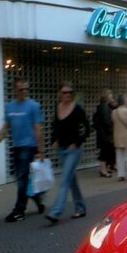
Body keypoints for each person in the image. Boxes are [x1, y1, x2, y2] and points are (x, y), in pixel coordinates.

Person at [0, 76, 45, 222]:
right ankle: (37, 197)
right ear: (15, 90)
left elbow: (38, 129)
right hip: (16, 147)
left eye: (26, 88)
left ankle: (19, 211)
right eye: (20, 89)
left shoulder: (33, 106)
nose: (24, 91)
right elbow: (4, 129)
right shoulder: (10, 107)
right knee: (19, 178)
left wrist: (41, 150)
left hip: (29, 146)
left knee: (21, 178)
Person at [45, 81, 90, 224]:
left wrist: (77, 143)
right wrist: (53, 140)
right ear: (60, 94)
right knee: (71, 180)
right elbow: (55, 127)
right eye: (64, 92)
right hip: (61, 150)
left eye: (70, 92)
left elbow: (88, 128)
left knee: (64, 180)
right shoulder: (57, 107)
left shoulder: (77, 109)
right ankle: (81, 207)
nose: (67, 95)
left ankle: (56, 212)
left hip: (73, 151)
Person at [92, 89, 116, 178]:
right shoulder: (105, 107)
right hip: (105, 134)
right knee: (104, 152)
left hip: (103, 134)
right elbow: (106, 121)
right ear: (106, 97)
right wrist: (111, 130)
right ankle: (103, 170)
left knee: (105, 151)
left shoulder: (103, 106)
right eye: (110, 96)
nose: (112, 97)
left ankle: (105, 169)